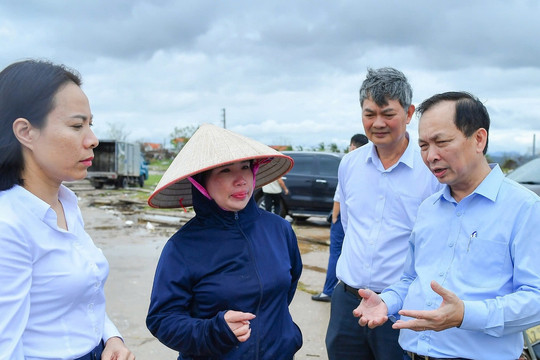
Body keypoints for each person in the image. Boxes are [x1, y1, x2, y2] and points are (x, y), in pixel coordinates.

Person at [353, 91, 540, 359]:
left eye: (441, 142)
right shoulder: (428, 208)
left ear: (478, 139)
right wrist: (386, 301)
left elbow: (535, 299)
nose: (431, 156)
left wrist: (465, 314)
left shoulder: (525, 208)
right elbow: (412, 279)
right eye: (423, 145)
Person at [0, 60, 134, 359]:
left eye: (90, 124)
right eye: (76, 126)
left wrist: (109, 337)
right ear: (26, 132)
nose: (92, 140)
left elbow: (81, 297)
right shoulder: (8, 225)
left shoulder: (66, 204)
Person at [146, 124, 303, 359]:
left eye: (245, 167)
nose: (241, 180)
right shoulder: (182, 247)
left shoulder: (279, 229)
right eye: (225, 171)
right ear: (201, 183)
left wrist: (285, 334)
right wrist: (215, 331)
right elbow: (162, 320)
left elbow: (286, 289)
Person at [325, 67, 442, 360]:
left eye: (388, 114)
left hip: (400, 306)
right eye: (369, 114)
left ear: (409, 112)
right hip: (347, 302)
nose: (378, 123)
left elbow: (436, 242)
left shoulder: (430, 171)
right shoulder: (349, 165)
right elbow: (351, 225)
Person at [312, 133, 368, 302]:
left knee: (335, 254)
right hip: (359, 221)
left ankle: (328, 291)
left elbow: (339, 197)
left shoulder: (350, 163)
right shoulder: (368, 165)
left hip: (343, 219)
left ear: (353, 146)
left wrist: (335, 218)